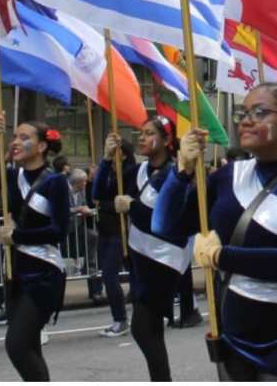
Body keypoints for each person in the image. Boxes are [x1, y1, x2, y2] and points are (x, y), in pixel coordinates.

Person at [152, 83, 277, 381]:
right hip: (235, 336)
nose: (246, 120)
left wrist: (220, 256)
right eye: (243, 113)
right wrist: (182, 171)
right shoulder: (229, 175)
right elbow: (165, 226)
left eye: (260, 112)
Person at [0, 113, 70, 382]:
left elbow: (60, 231)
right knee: (30, 346)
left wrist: (17, 236)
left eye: (24, 137)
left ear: (42, 146)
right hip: (17, 274)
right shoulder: (12, 175)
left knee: (17, 345)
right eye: (14, 137)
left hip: (44, 273)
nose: (15, 142)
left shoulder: (55, 182)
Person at [95, 116, 194, 381]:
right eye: (140, 133)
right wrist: (106, 159)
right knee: (150, 330)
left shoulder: (176, 174)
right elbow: (100, 193)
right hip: (140, 256)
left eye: (149, 133)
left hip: (164, 258)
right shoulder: (138, 171)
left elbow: (165, 220)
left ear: (166, 140)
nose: (141, 138)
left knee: (142, 328)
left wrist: (132, 207)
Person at [92, 138, 132, 337]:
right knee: (108, 276)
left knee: (111, 276)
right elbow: (96, 192)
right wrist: (105, 161)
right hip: (106, 231)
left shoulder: (130, 172)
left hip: (123, 231)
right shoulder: (109, 171)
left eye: (113, 151)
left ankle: (121, 319)